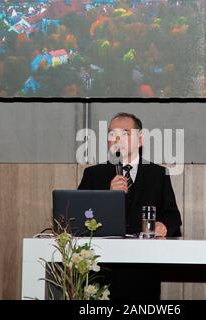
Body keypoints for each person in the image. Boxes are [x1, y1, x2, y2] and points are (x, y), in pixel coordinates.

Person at [78, 112, 182, 300]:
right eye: (111, 133)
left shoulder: (157, 174)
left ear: (140, 140)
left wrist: (164, 225)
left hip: (142, 269)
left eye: (124, 133)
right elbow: (78, 218)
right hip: (102, 268)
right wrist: (107, 197)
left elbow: (172, 215)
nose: (116, 138)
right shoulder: (93, 174)